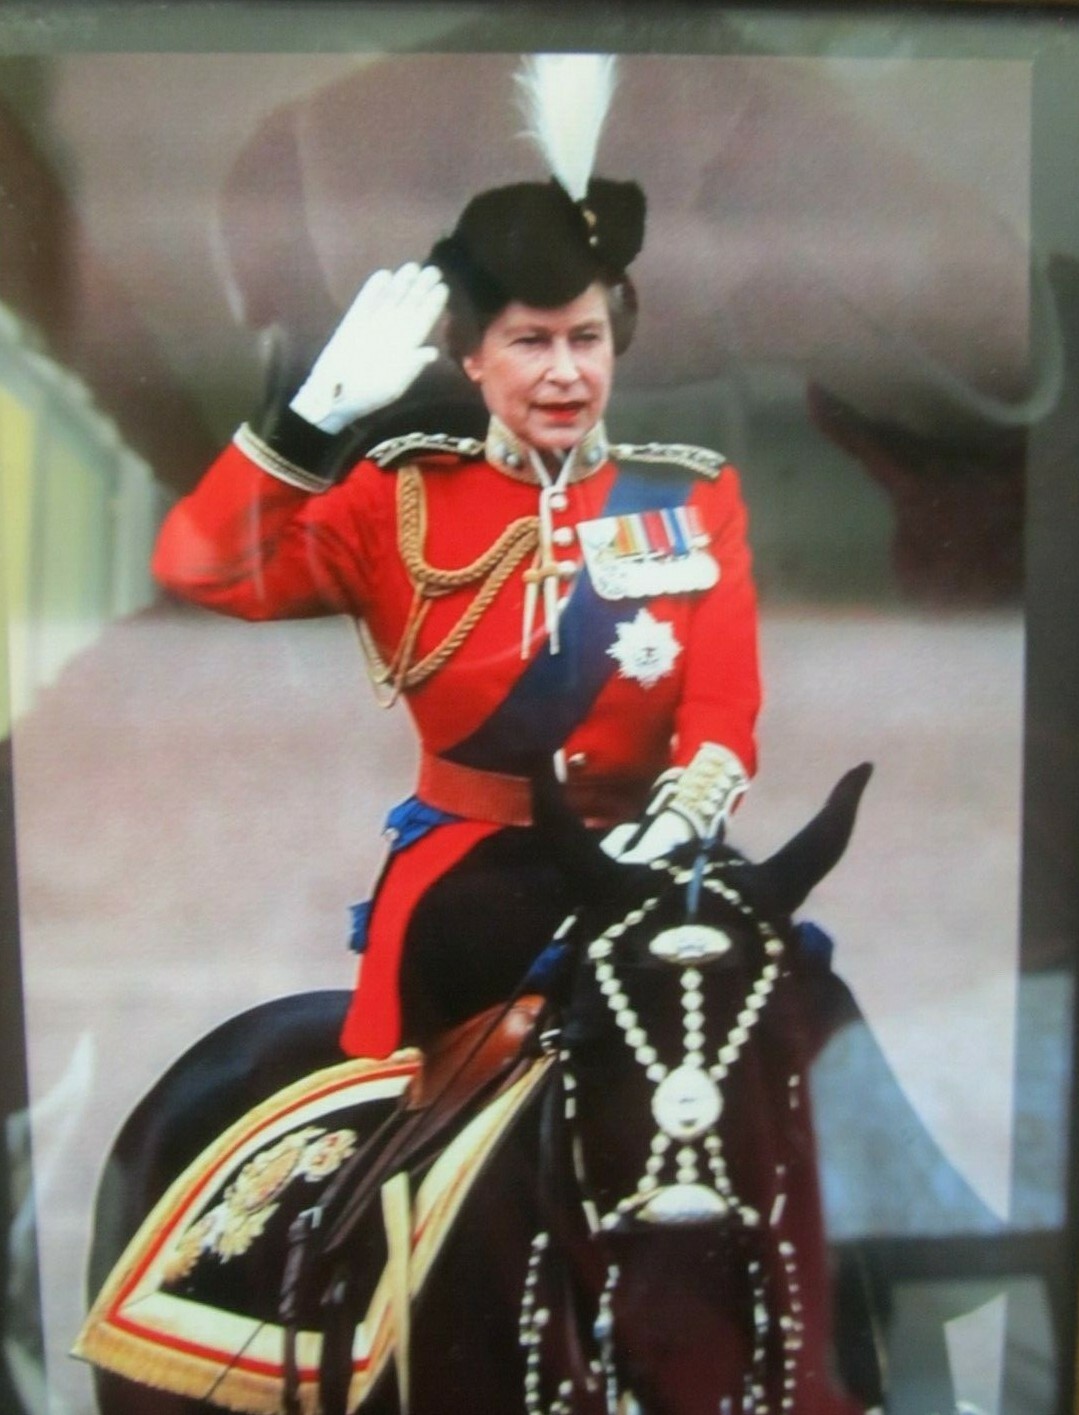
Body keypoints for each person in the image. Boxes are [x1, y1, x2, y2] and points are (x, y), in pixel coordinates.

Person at [151, 55, 761, 1061]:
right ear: (471, 356)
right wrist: (307, 423)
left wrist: (675, 830)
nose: (565, 373)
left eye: (587, 338)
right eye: (530, 342)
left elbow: (722, 712)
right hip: (472, 876)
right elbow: (200, 568)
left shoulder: (692, 496)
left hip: (660, 856)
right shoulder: (397, 496)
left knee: (797, 996)